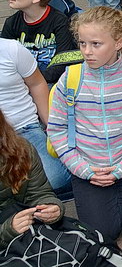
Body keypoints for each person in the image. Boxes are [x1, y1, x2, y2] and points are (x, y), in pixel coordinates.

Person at [48, 7, 122, 240]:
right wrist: (83, 170)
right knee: (102, 233)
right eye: (82, 43)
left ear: (118, 43)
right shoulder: (70, 78)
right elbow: (56, 129)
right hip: (88, 166)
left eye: (96, 44)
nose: (87, 51)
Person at [0, 38, 71, 195]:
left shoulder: (12, 49)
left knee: (56, 180)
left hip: (24, 128)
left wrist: (52, 127)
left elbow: (37, 84)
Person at [0, 109, 64, 248]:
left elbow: (38, 193)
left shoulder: (21, 149)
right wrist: (7, 231)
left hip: (25, 229)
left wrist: (51, 207)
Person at [2, 0, 77, 84]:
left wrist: (34, 81)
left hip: (52, 80)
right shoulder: (11, 23)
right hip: (22, 81)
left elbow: (63, 60)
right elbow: (4, 58)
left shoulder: (59, 21)